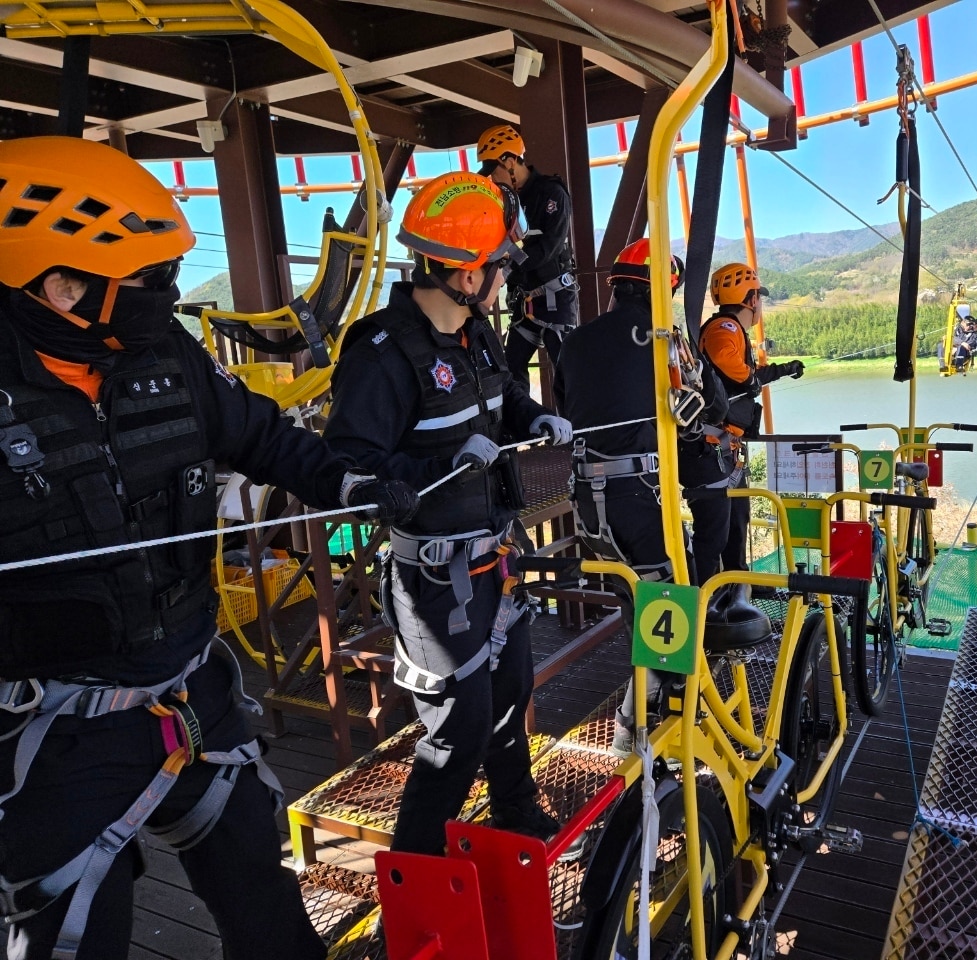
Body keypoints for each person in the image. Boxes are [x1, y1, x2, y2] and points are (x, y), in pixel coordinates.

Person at [0, 136, 418, 960]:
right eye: (151, 281)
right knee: (81, 932)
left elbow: (265, 439)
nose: (173, 295)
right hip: (57, 734)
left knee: (265, 905)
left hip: (194, 693)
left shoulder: (166, 358)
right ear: (60, 285)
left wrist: (357, 487)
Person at [323, 172, 575, 859]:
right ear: (467, 273)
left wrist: (538, 419)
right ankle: (417, 876)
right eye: (498, 265)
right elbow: (347, 467)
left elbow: (501, 402)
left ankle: (518, 819)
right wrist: (435, 471)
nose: (503, 278)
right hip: (435, 583)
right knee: (453, 736)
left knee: (509, 698)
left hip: (494, 560)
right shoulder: (381, 354)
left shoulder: (475, 335)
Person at [555, 238, 726, 756]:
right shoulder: (664, 340)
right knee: (679, 597)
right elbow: (707, 406)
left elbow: (569, 405)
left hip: (587, 505)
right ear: (661, 288)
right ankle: (640, 729)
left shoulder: (575, 342)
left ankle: (647, 702)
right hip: (639, 497)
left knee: (639, 602)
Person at [694, 263, 804, 580]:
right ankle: (707, 596)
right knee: (716, 529)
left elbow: (748, 377)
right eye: (759, 297)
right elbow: (725, 359)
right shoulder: (724, 328)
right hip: (714, 447)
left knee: (737, 519)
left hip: (725, 447)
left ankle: (738, 584)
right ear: (751, 299)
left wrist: (784, 369)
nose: (760, 305)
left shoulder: (730, 329)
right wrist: (748, 379)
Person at [476, 124, 579, 390]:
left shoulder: (552, 194)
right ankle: (521, 430)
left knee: (568, 377)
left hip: (555, 301)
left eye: (495, 171)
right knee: (511, 372)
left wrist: (506, 267)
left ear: (510, 161)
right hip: (525, 306)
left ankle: (577, 430)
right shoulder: (506, 201)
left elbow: (549, 247)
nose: (493, 179)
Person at [951, 304, 977, 371]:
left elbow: (971, 344)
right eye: (974, 325)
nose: (974, 327)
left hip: (966, 354)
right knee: (942, 344)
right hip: (955, 352)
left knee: (961, 347)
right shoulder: (963, 331)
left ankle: (959, 365)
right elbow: (955, 338)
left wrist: (961, 345)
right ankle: (943, 364)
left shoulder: (976, 335)